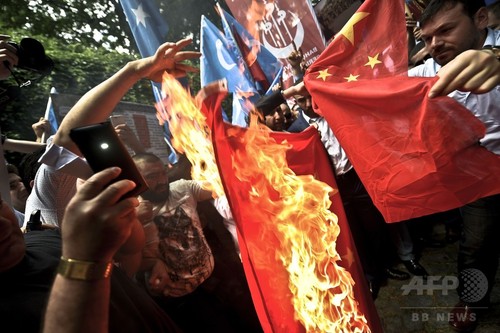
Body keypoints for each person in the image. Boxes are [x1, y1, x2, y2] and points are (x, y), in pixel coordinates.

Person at [23, 38, 200, 228]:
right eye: (77, 160)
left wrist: (134, 72)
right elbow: (67, 139)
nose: (93, 169)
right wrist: (133, 71)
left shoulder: (106, 209)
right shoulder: (53, 208)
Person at [408, 1, 499, 331]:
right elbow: (377, 86)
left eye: (445, 31)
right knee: (475, 246)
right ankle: (472, 301)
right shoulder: (430, 70)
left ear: (481, 17)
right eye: (428, 38)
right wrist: (320, 87)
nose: (434, 45)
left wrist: (496, 58)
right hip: (478, 180)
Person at [0, 169, 182, 333]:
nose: (3, 224)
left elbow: (131, 248)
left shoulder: (42, 237)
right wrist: (83, 259)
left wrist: (122, 211)